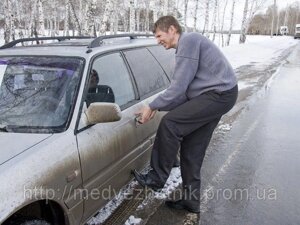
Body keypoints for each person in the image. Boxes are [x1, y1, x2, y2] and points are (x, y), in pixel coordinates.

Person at [132, 16, 238, 213]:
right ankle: (191, 201)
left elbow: (178, 88)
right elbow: (186, 93)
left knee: (170, 123)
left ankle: (157, 177)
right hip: (218, 95)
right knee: (191, 150)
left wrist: (153, 105)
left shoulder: (188, 42)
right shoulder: (188, 45)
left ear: (172, 29)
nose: (158, 41)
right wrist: (156, 107)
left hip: (218, 94)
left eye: (159, 35)